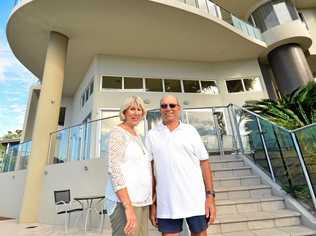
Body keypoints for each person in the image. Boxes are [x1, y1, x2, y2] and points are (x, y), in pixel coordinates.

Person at [145, 95, 216, 236]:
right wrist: (152, 203)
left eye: (172, 105)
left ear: (179, 108)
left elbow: (204, 163)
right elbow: (150, 172)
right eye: (164, 106)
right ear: (160, 109)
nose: (168, 109)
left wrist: (210, 196)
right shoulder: (151, 135)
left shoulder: (191, 131)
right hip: (166, 202)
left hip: (195, 200)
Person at [105, 96, 152, 236]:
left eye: (139, 109)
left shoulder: (137, 135)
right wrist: (128, 206)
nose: (136, 113)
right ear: (124, 112)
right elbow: (114, 169)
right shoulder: (118, 133)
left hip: (141, 200)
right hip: (125, 202)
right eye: (132, 109)